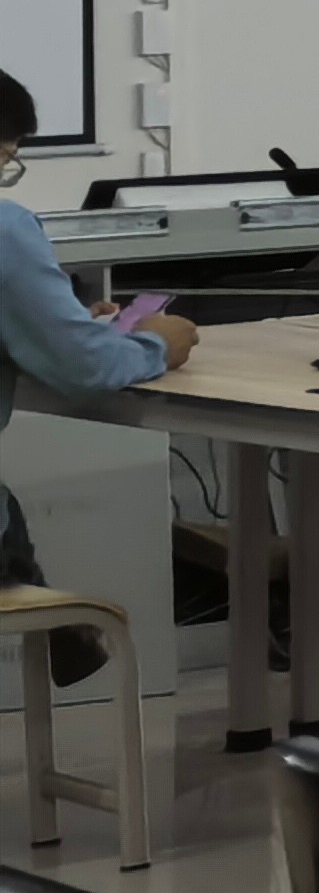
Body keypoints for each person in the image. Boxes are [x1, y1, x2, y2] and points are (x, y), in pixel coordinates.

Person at [0, 73, 192, 687]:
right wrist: (156, 345)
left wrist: (58, 323)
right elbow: (88, 370)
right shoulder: (5, 229)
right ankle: (56, 622)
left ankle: (52, 616)